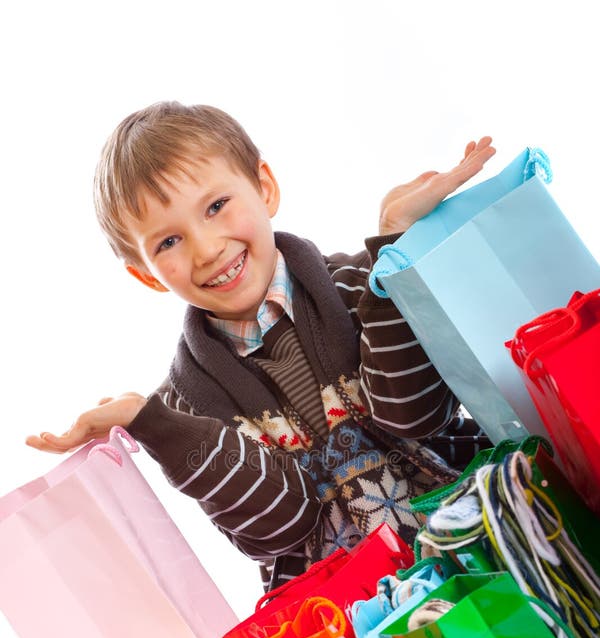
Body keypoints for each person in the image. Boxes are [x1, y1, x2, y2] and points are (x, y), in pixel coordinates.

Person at [27, 101, 495, 589]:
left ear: (264, 188)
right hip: (359, 626)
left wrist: (393, 245)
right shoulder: (183, 409)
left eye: (215, 207)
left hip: (490, 543)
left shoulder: (362, 284)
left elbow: (416, 414)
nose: (207, 249)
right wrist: (151, 422)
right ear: (147, 275)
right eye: (168, 242)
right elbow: (278, 526)